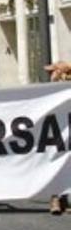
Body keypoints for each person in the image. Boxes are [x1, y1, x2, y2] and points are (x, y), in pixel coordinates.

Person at [46, 61, 71, 215]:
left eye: (53, 71)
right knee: (58, 164)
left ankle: (61, 200)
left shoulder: (62, 91)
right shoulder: (53, 92)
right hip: (58, 134)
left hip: (64, 133)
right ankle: (56, 199)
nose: (50, 75)